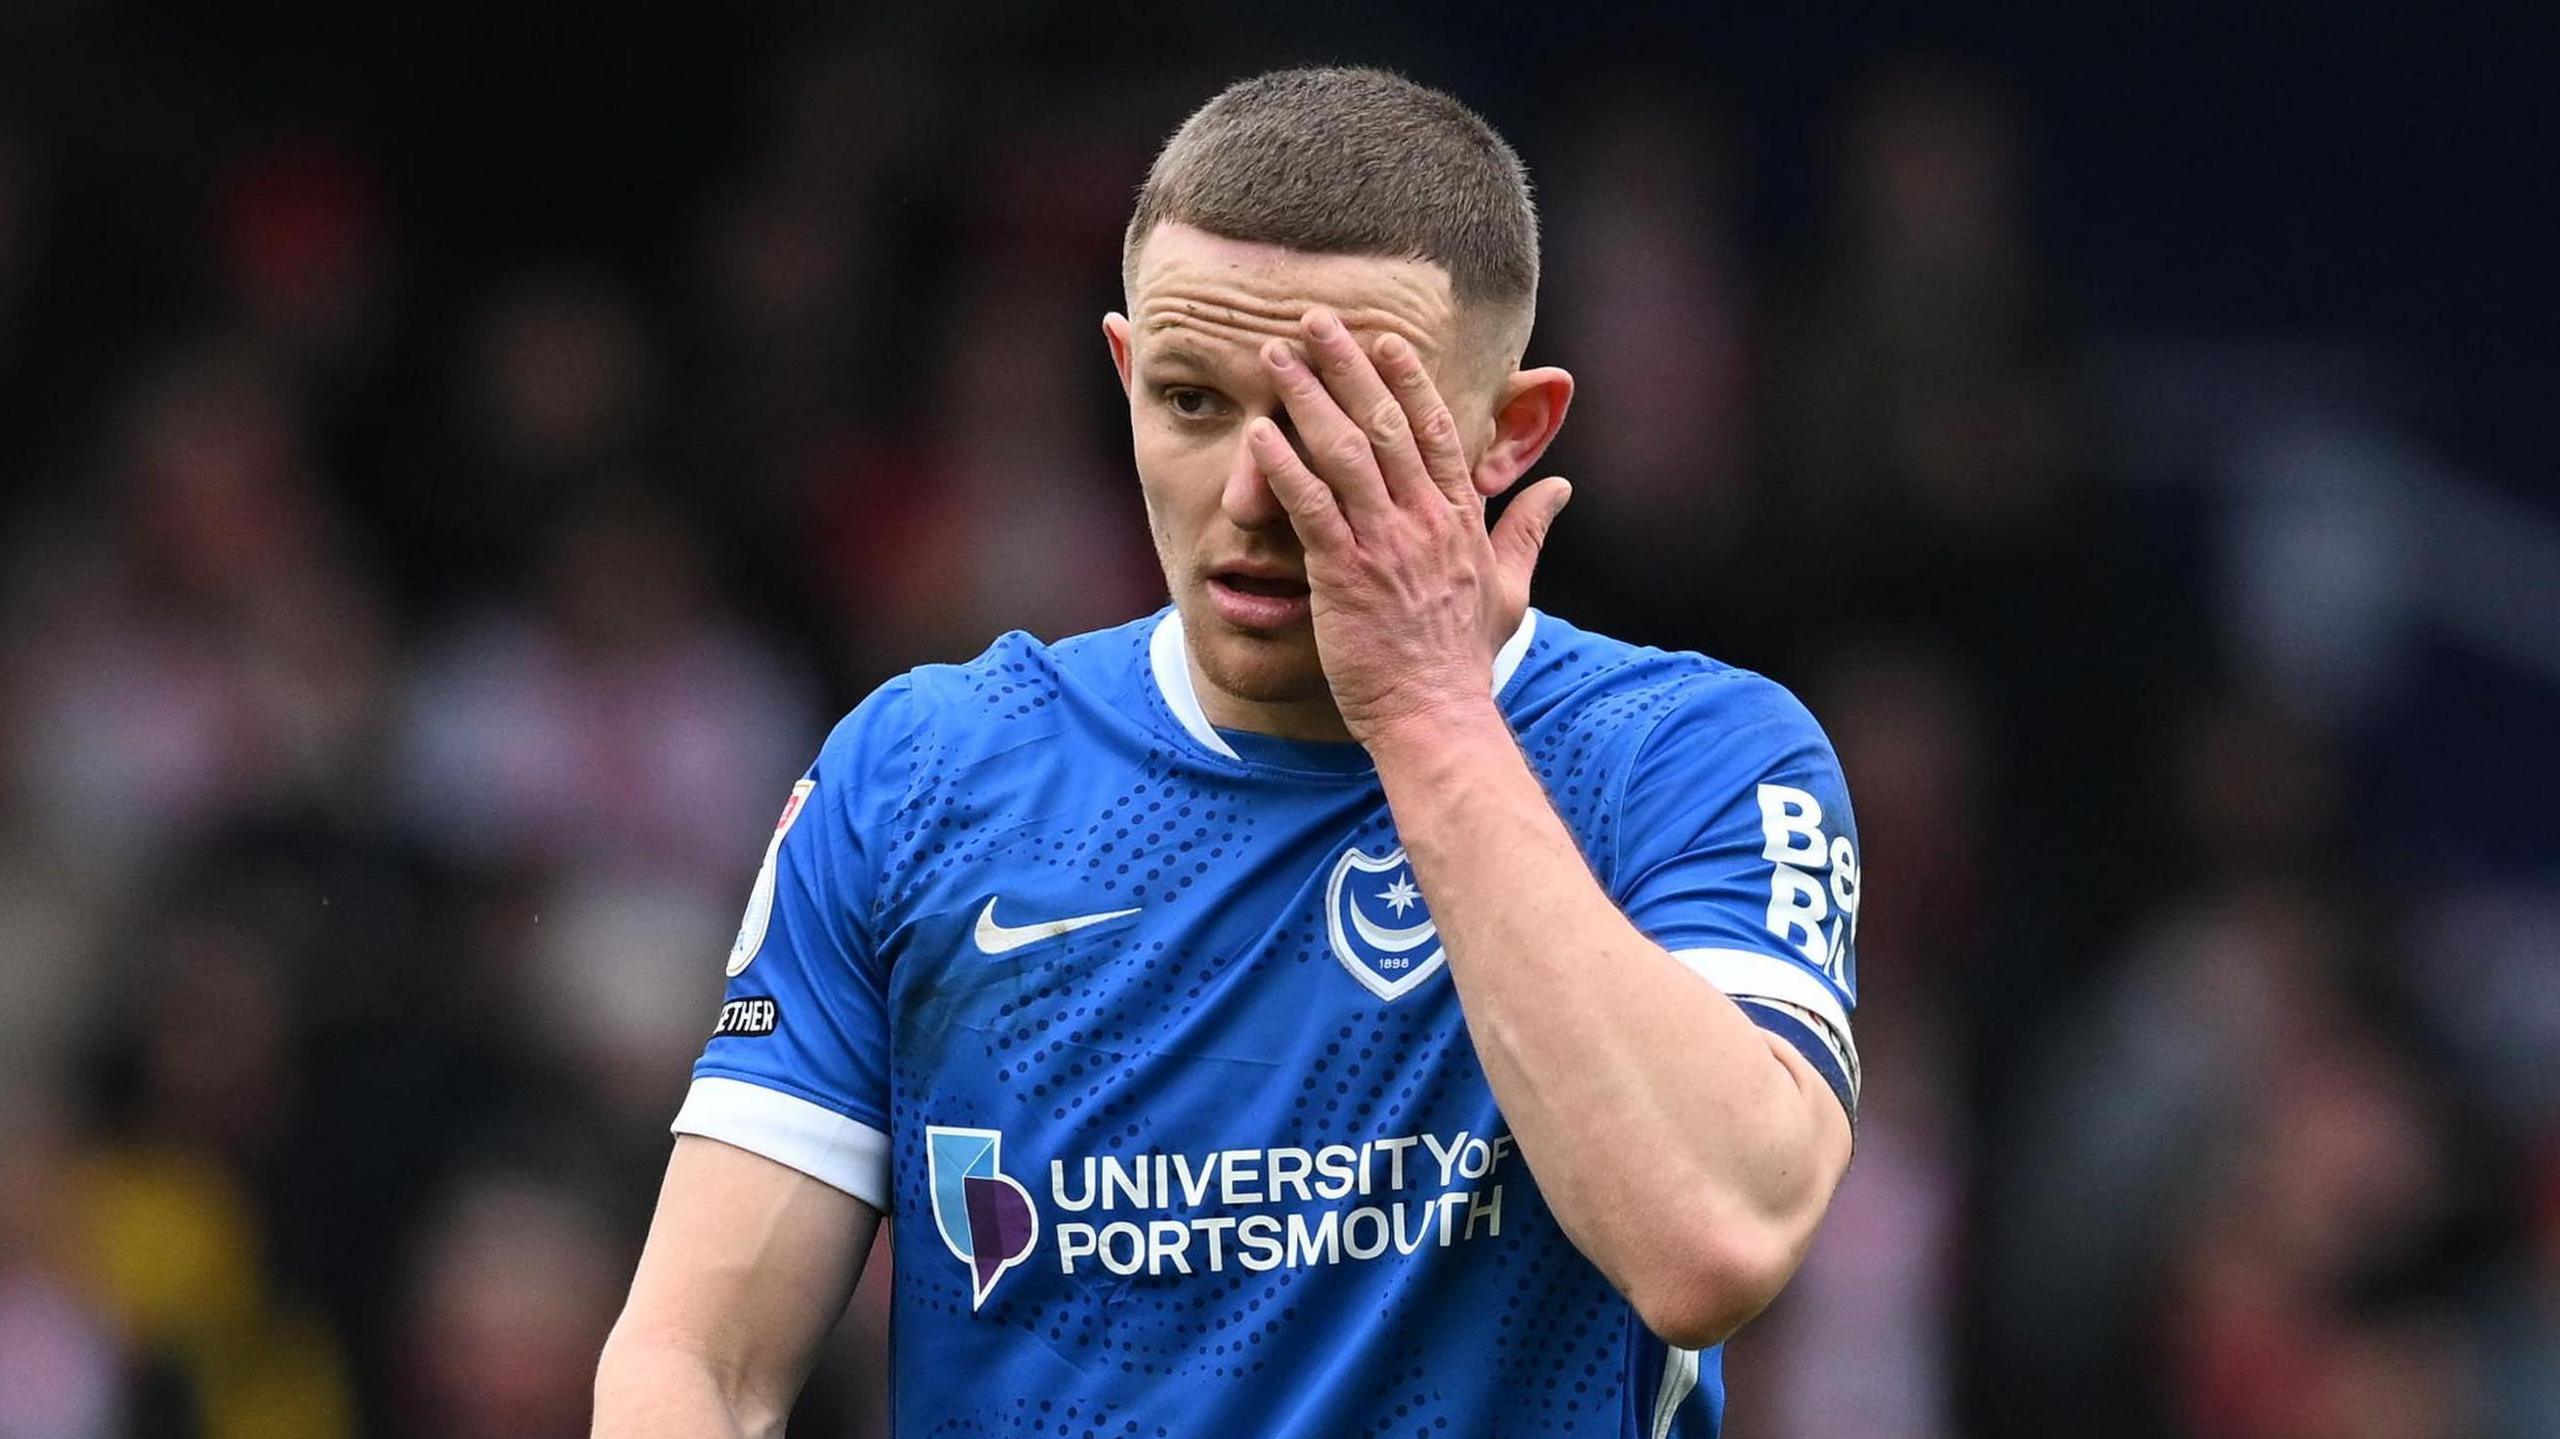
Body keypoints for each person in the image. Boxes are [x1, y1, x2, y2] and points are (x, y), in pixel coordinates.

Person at [594, 66, 1860, 1438]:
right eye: (1193, 401)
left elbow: (1710, 1244)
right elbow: (696, 1365)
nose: (1254, 493)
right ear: (1126, 375)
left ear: (1510, 432)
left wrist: (1428, 713)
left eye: (1339, 418)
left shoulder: (1682, 760)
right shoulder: (922, 777)